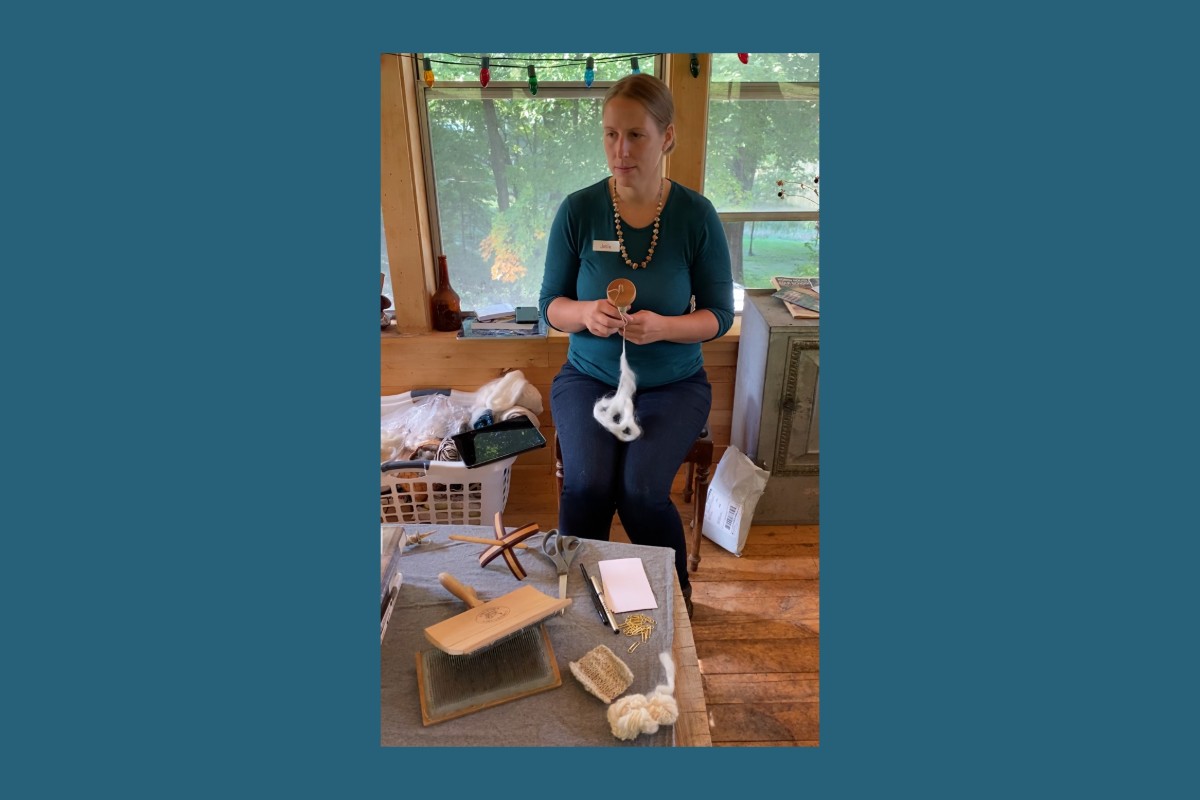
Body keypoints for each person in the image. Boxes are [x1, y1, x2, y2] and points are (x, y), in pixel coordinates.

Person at [538, 73, 735, 617]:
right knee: (587, 487)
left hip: (673, 385)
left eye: (635, 135)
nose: (619, 151)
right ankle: (579, 600)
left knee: (642, 491)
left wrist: (665, 326)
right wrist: (584, 314)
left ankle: (670, 600)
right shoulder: (578, 211)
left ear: (666, 137)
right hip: (590, 378)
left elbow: (720, 315)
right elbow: (549, 305)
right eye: (609, 135)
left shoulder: (696, 215)